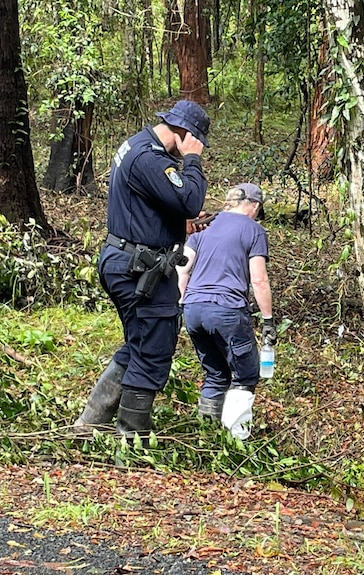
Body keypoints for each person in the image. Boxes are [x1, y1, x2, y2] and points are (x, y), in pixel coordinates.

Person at [74, 100, 210, 438]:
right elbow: (190, 199)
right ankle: (130, 438)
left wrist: (179, 224)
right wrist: (193, 159)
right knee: (153, 347)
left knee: (138, 341)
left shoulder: (137, 144)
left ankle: (89, 424)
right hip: (137, 270)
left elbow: (147, 202)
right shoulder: (151, 158)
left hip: (125, 259)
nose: (194, 149)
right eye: (195, 141)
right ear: (185, 133)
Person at [176, 183, 275, 439]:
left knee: (216, 374)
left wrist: (181, 304)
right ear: (253, 205)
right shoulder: (254, 231)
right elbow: (259, 279)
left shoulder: (202, 231)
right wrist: (268, 320)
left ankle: (207, 438)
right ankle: (236, 441)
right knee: (245, 375)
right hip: (228, 311)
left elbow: (182, 270)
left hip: (194, 310)